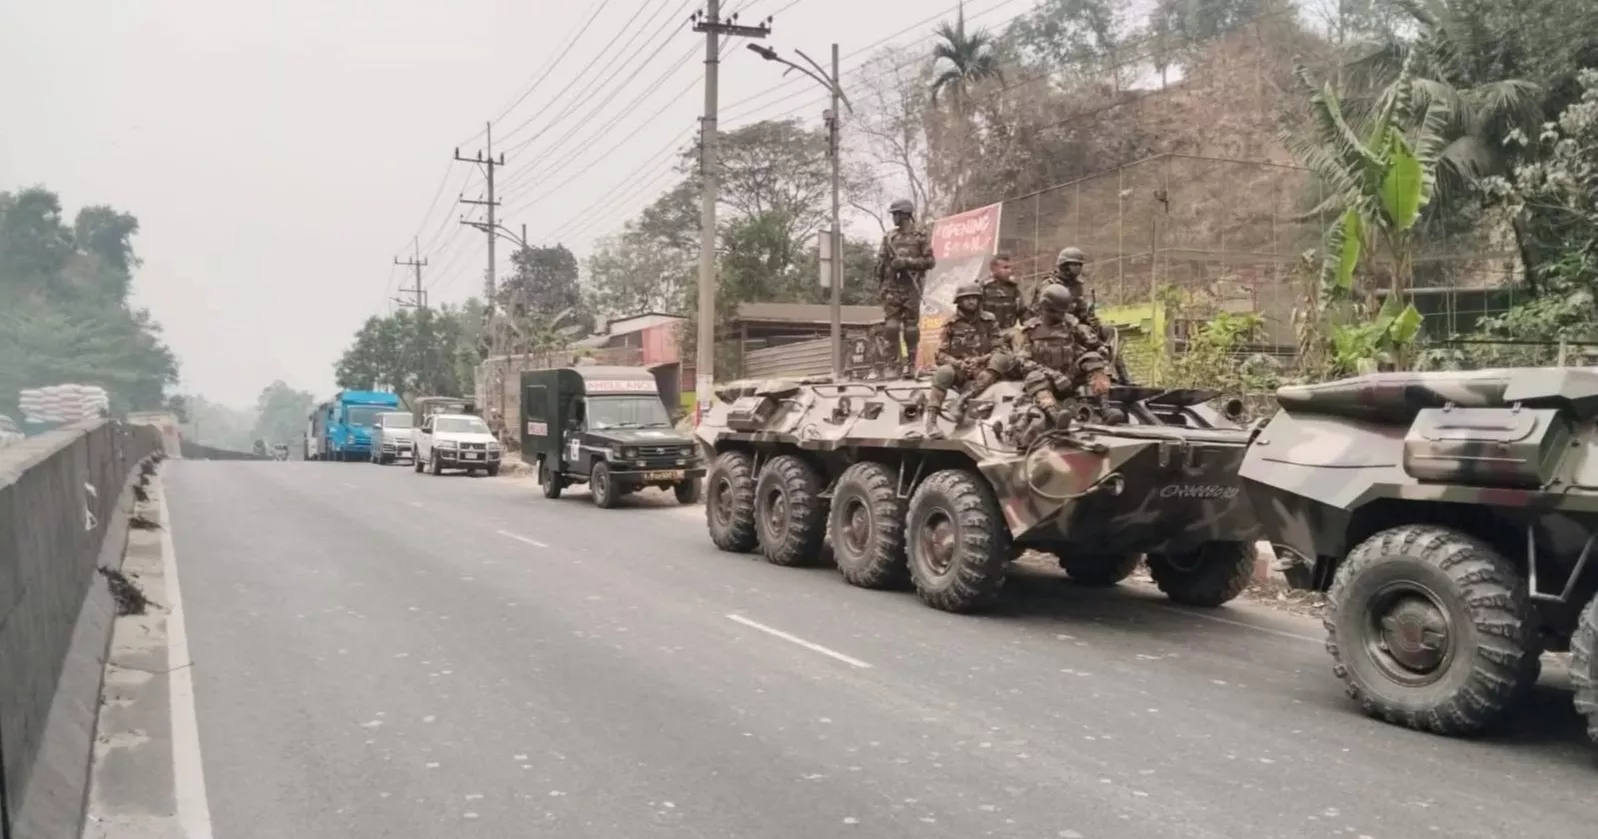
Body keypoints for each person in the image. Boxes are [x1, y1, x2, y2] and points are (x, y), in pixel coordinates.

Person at [1013, 284, 1111, 431]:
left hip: (1071, 376)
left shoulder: (1071, 324)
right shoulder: (1029, 331)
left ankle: (1106, 409)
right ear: (1047, 309)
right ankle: (1056, 416)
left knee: (1092, 358)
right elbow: (1023, 361)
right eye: (1058, 312)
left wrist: (1101, 347)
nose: (1062, 316)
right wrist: (1053, 375)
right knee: (1033, 377)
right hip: (1047, 381)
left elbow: (1091, 340)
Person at [924, 282, 1013, 438]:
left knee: (1002, 359)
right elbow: (941, 355)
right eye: (967, 298)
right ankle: (931, 422)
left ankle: (961, 401)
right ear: (959, 301)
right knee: (943, 372)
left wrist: (980, 360)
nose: (972, 301)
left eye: (974, 298)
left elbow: (999, 348)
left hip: (984, 370)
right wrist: (959, 364)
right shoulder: (951, 324)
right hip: (960, 370)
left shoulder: (989, 320)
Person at [874, 199, 936, 376]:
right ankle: (892, 363)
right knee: (891, 327)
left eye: (896, 214)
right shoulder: (889, 238)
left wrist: (907, 263)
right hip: (892, 288)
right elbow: (880, 265)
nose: (894, 217)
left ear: (905, 214)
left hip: (911, 288)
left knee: (910, 328)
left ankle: (910, 363)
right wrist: (881, 285)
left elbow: (930, 262)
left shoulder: (920, 237)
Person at [980, 253, 1025, 331]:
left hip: (1008, 332)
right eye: (1005, 268)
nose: (1010, 271)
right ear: (994, 269)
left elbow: (1023, 312)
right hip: (988, 333)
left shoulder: (1014, 289)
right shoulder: (983, 288)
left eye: (1010, 268)